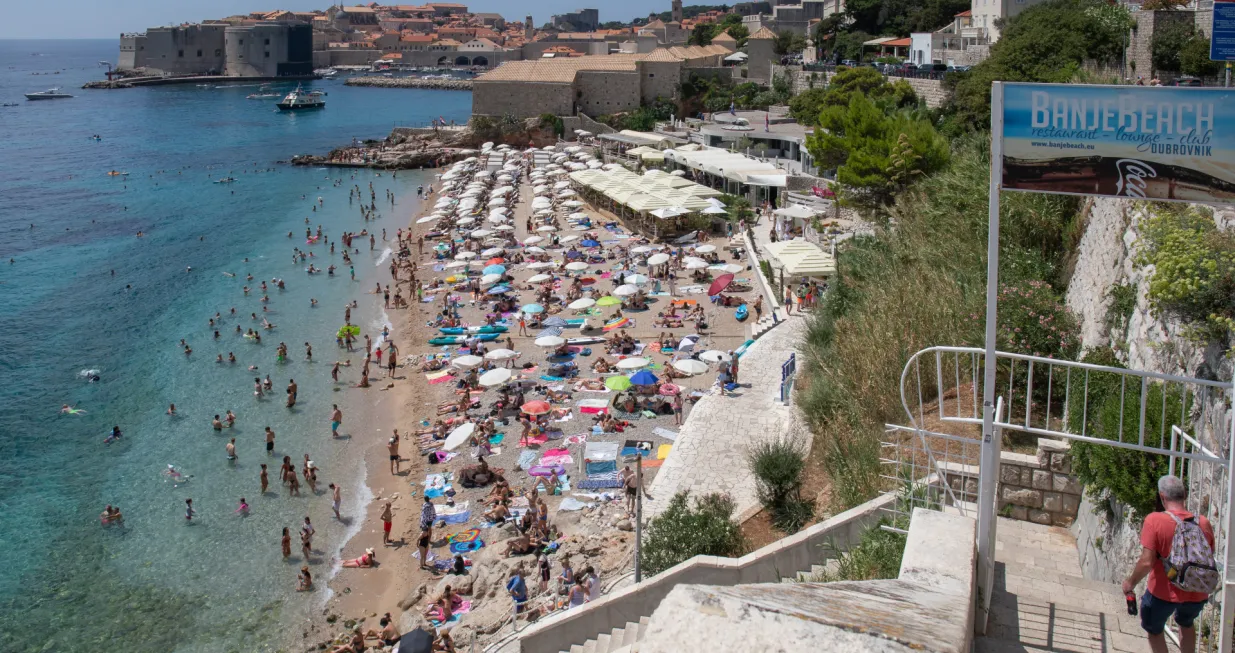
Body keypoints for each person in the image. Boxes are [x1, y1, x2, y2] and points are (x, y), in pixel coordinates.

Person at [1123, 475, 1216, 653]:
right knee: (1186, 624)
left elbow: (1146, 561)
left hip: (1163, 593)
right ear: (1184, 495)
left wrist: (1130, 583)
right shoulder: (1203, 522)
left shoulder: (1155, 520)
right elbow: (1209, 556)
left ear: (1162, 496)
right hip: (1197, 593)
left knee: (1154, 630)